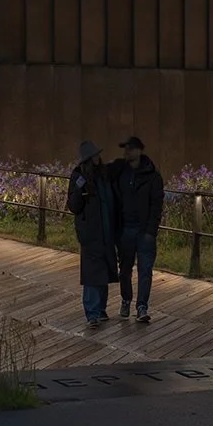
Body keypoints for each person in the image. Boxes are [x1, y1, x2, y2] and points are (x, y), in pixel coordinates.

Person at [110, 136, 164, 325]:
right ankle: (126, 299)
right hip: (125, 229)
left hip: (144, 231)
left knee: (145, 270)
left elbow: (157, 204)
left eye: (131, 149)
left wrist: (151, 230)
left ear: (140, 151)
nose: (127, 152)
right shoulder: (119, 171)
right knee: (124, 269)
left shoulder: (152, 175)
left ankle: (142, 307)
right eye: (125, 149)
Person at [67, 140, 119, 327]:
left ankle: (101, 309)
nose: (97, 158)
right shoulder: (79, 176)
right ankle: (92, 312)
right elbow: (73, 206)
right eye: (94, 156)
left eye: (98, 155)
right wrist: (80, 190)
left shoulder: (103, 175)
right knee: (91, 273)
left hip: (106, 229)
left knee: (103, 269)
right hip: (90, 231)